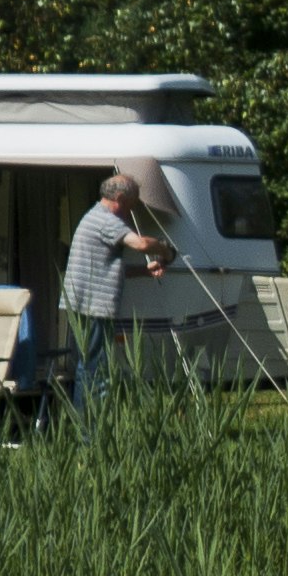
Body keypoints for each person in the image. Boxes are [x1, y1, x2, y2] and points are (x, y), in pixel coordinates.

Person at [60, 165, 172, 416]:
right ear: (120, 198)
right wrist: (165, 249)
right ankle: (91, 431)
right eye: (132, 203)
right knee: (95, 370)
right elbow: (140, 244)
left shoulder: (93, 217)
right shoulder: (106, 220)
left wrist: (144, 271)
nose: (133, 210)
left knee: (86, 366)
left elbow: (106, 268)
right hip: (94, 307)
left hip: (83, 304)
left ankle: (83, 426)